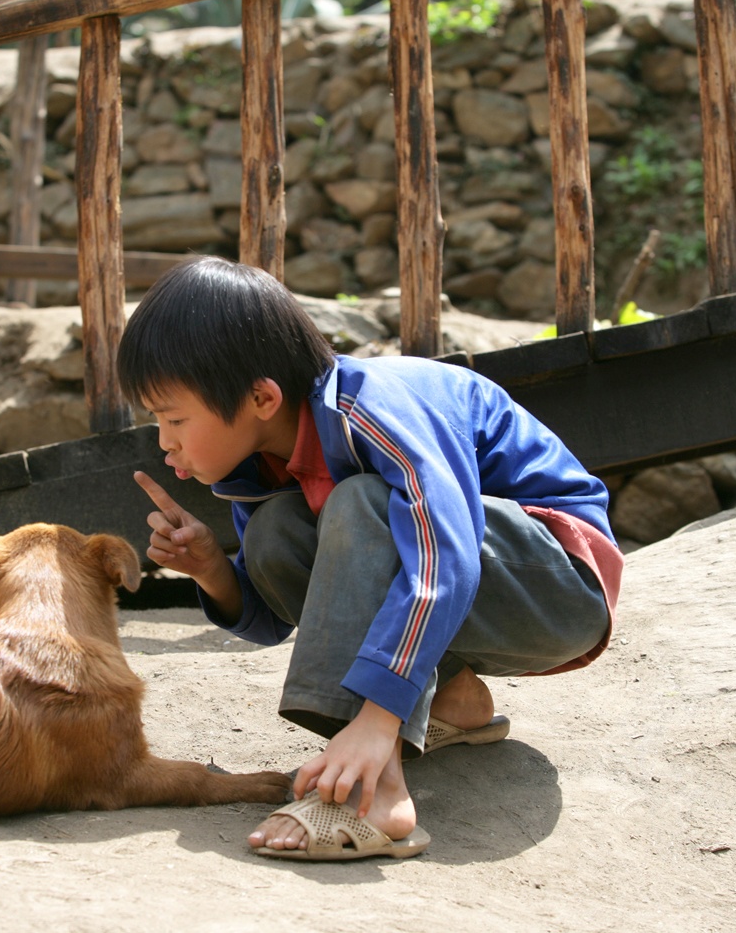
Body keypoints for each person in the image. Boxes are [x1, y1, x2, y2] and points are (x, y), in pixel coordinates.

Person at [118, 256, 623, 861]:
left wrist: (378, 721)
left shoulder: (371, 410)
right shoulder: (261, 472)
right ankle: (457, 702)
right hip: (478, 590)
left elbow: (447, 555)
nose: (164, 440)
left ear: (261, 396)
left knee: (365, 502)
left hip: (555, 588)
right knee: (277, 532)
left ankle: (378, 790)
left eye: (174, 418)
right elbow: (273, 615)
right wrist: (211, 570)